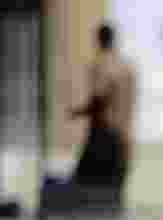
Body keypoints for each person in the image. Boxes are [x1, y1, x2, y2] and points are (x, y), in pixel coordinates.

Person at [68, 22, 137, 193]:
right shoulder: (127, 66)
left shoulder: (101, 65)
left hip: (104, 137)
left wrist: (78, 112)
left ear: (99, 40)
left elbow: (100, 99)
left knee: (86, 190)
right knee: (113, 192)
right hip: (125, 137)